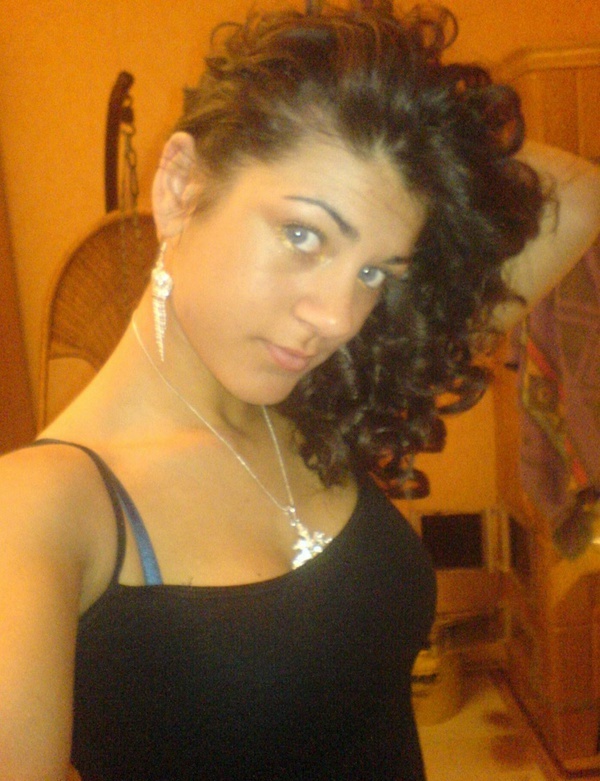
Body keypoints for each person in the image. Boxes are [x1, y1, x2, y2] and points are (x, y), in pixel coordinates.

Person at [1, 4, 599, 780]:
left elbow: (578, 195)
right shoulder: (41, 511)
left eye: (374, 271)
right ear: (180, 187)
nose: (339, 317)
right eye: (304, 234)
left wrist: (425, 131)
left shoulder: (321, 397)